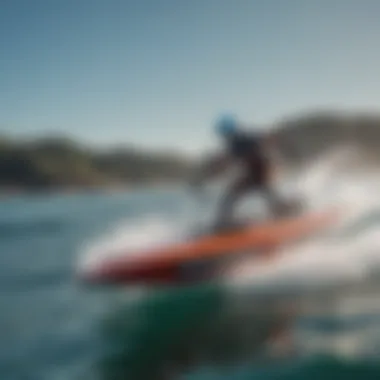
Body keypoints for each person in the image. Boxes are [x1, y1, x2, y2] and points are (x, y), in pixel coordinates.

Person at [190, 114, 289, 230]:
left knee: (268, 193)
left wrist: (271, 152)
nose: (224, 137)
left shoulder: (246, 137)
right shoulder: (232, 145)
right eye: (223, 134)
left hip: (264, 171)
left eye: (225, 133)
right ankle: (224, 222)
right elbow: (224, 162)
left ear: (231, 130)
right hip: (252, 174)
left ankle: (285, 212)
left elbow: (266, 141)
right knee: (231, 195)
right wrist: (204, 179)